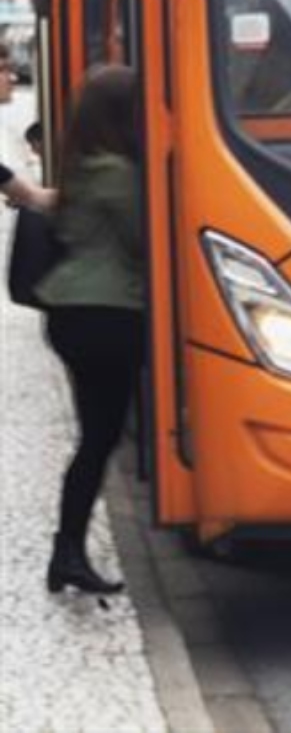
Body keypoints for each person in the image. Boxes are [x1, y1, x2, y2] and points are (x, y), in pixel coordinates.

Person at [36, 65, 144, 596]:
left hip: (72, 312)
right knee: (99, 438)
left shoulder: (82, 163)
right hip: (108, 313)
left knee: (95, 438)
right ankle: (67, 553)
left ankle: (68, 552)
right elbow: (144, 240)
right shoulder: (120, 175)